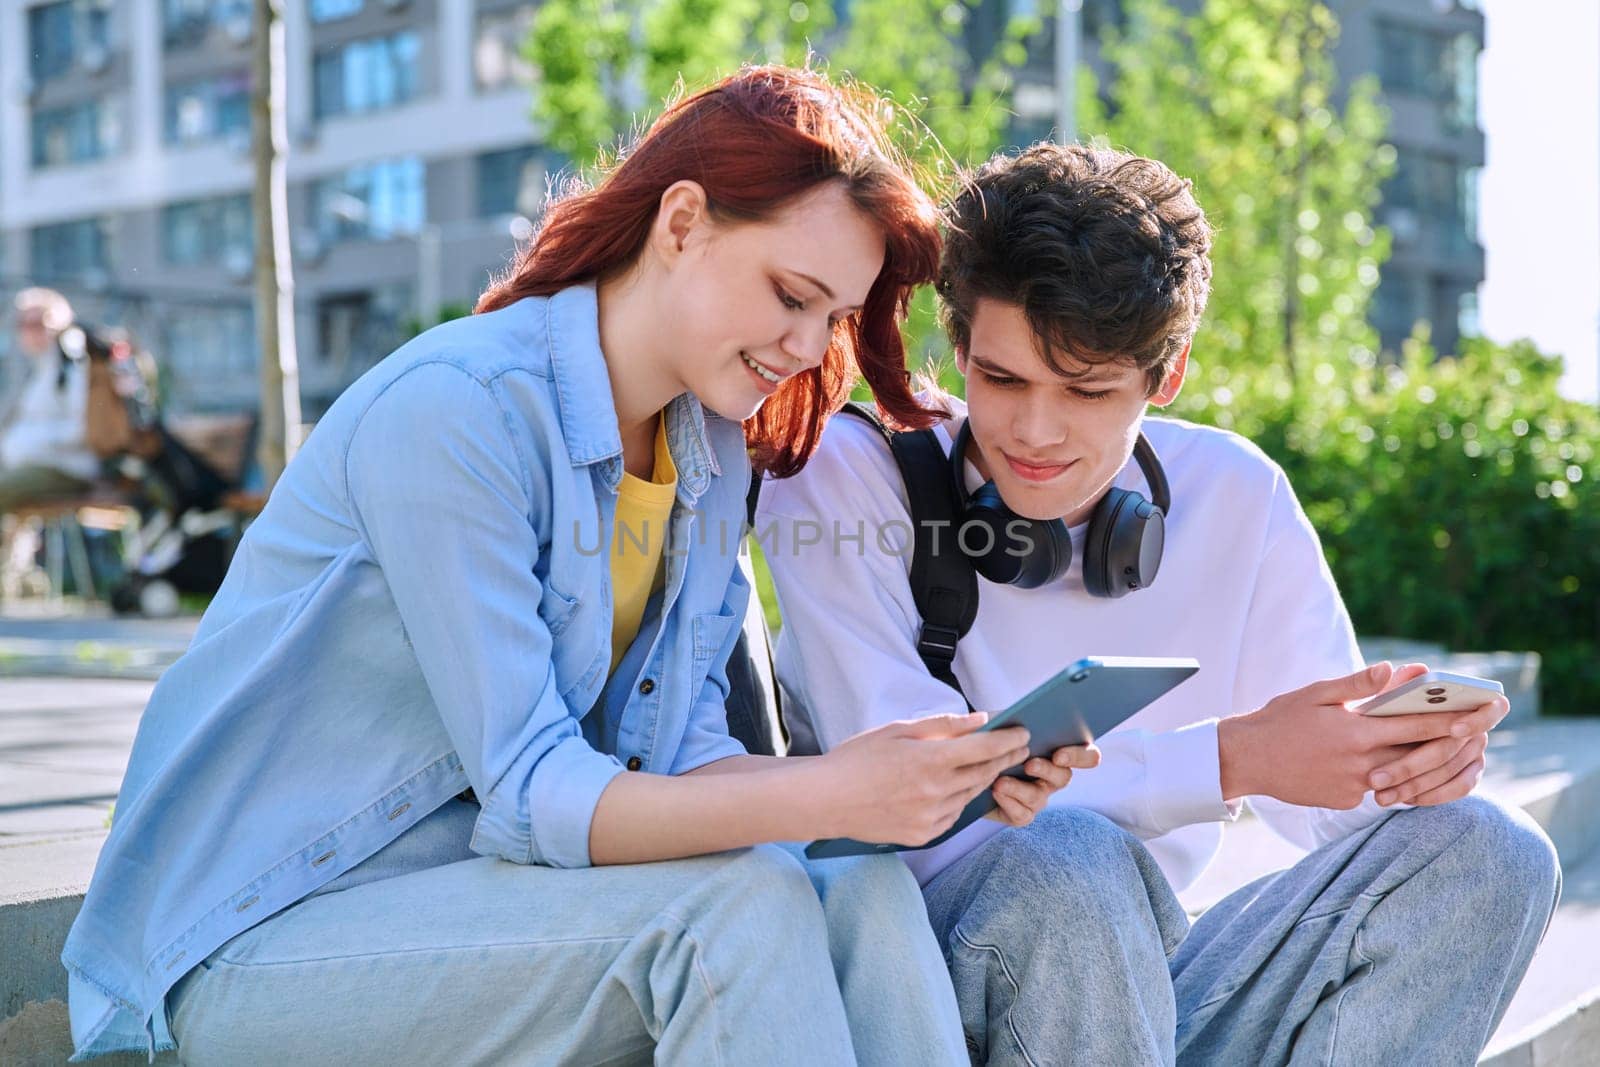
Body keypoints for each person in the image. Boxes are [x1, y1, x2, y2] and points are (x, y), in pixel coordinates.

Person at [62, 67, 1034, 1065]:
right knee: (728, 911)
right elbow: (533, 789)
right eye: (791, 295)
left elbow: (686, 755)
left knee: (859, 886)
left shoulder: (704, 448)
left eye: (831, 316)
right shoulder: (460, 409)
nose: (803, 345)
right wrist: (832, 793)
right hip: (252, 935)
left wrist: (913, 780)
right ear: (684, 221)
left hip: (485, 910)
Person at [757, 143, 1561, 1065]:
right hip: (923, 988)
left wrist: (1406, 767)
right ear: (961, 346)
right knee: (1065, 860)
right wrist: (1230, 758)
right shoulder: (848, 478)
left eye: (1088, 391)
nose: (1034, 431)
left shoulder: (1236, 496)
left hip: (1145, 987)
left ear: (1164, 376)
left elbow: (1334, 818)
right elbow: (905, 798)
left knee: (1491, 851)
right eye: (1002, 377)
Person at [0, 287, 100, 511]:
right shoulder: (40, 368)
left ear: (59, 323)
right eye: (23, 324)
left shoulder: (73, 364)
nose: (29, 332)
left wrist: (26, 442)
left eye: (37, 323)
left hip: (67, 469)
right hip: (36, 464)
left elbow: (80, 429)